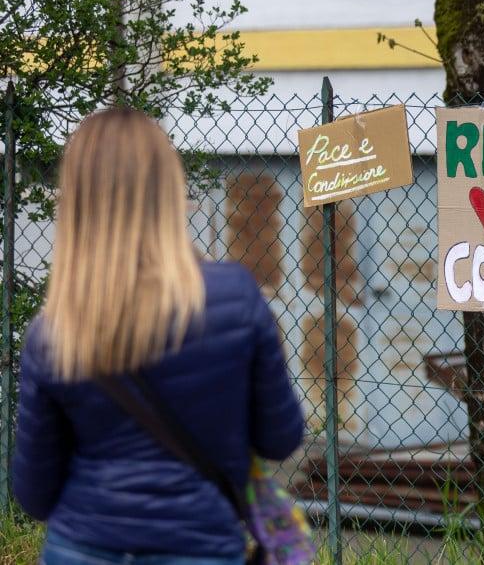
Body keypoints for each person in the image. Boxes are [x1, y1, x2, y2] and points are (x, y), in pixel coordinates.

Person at [11, 106, 306, 565]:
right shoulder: (235, 296)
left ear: (76, 200)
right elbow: (280, 438)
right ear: (169, 187)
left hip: (82, 549)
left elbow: (34, 494)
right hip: (201, 547)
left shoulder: (53, 330)